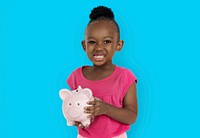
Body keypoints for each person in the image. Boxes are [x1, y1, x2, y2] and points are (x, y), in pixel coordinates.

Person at [67, 6, 138, 138]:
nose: (99, 48)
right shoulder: (76, 76)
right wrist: (75, 117)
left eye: (107, 41)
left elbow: (131, 116)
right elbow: (71, 105)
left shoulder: (125, 77)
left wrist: (106, 109)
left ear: (119, 45)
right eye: (92, 42)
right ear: (84, 45)